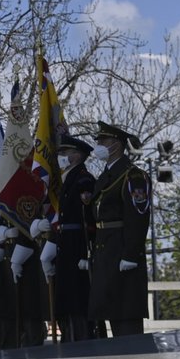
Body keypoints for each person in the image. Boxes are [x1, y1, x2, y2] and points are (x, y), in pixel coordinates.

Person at [88, 122, 150, 337]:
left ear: (116, 144)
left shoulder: (133, 176)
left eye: (103, 141)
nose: (99, 145)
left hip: (121, 250)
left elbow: (137, 217)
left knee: (126, 316)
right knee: (110, 311)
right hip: (105, 251)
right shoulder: (106, 176)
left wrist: (131, 254)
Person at [54, 135, 96, 342]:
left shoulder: (83, 180)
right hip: (67, 243)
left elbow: (87, 217)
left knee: (77, 295)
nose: (61, 156)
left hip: (77, 245)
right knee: (66, 294)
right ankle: (69, 335)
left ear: (77, 156)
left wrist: (86, 251)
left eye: (65, 152)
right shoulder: (69, 179)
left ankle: (81, 336)